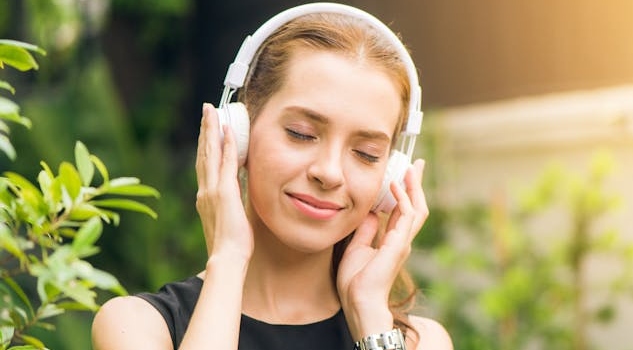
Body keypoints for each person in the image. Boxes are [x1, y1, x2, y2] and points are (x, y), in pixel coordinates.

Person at [91, 3, 452, 350]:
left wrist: (370, 319)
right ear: (239, 132)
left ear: (390, 174)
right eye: (301, 133)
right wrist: (229, 259)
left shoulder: (421, 342)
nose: (328, 172)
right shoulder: (139, 326)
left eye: (366, 153)